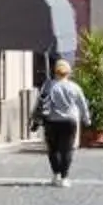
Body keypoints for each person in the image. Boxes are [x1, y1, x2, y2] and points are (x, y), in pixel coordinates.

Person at [36, 58, 89, 187]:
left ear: (55, 71)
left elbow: (40, 103)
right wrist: (86, 119)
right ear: (68, 72)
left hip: (51, 121)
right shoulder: (74, 87)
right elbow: (82, 104)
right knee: (67, 149)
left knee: (53, 149)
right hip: (69, 121)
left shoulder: (48, 86)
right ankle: (65, 178)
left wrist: (36, 119)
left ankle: (55, 175)